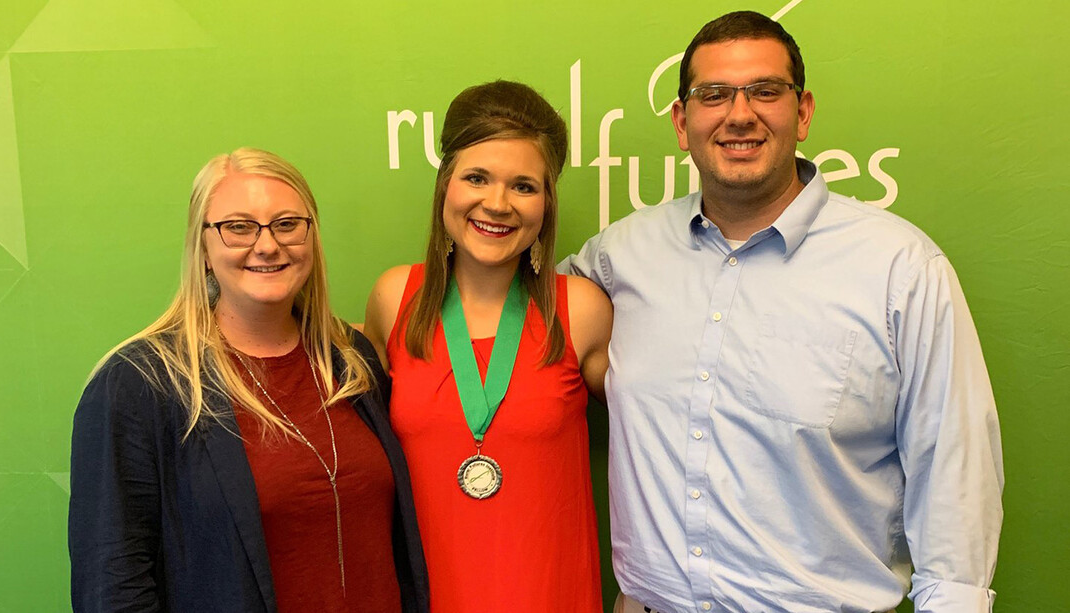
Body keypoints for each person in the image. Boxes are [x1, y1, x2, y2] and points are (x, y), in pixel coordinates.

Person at [561, 11, 1003, 613]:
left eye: (765, 91)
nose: (739, 114)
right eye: (712, 94)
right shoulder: (619, 256)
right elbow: (505, 311)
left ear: (804, 112)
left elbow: (953, 473)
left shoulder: (901, 268)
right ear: (681, 120)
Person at [69, 148, 429, 613]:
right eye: (238, 227)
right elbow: (113, 586)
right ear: (202, 248)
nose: (266, 245)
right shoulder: (140, 384)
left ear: (312, 238)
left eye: (286, 224)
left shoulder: (349, 362)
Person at [365, 80, 612, 612]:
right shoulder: (394, 300)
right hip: (426, 594)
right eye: (477, 177)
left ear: (547, 202)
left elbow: (661, 428)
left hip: (548, 594)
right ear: (445, 186)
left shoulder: (581, 311)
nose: (497, 204)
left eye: (524, 186)